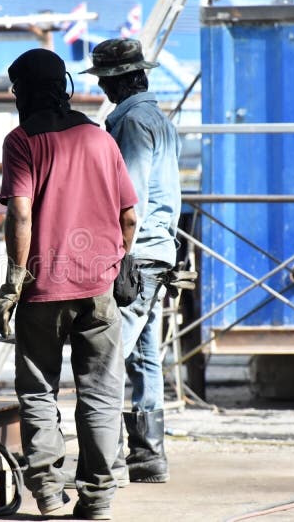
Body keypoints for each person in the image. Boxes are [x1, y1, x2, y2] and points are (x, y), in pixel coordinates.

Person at [0, 48, 138, 520]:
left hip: (42, 291)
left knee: (38, 392)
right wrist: (116, 262)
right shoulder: (100, 138)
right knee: (101, 394)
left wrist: (12, 286)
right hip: (98, 289)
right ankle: (98, 500)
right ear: (65, 86)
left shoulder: (21, 141)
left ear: (21, 92)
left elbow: (20, 214)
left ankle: (49, 496)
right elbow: (129, 217)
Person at [81, 38, 182, 483]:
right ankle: (148, 456)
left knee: (107, 354)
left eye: (105, 81)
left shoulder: (131, 122)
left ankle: (107, 462)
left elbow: (129, 201)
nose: (102, 89)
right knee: (144, 355)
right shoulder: (158, 119)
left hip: (136, 254)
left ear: (119, 80)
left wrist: (116, 258)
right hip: (157, 252)